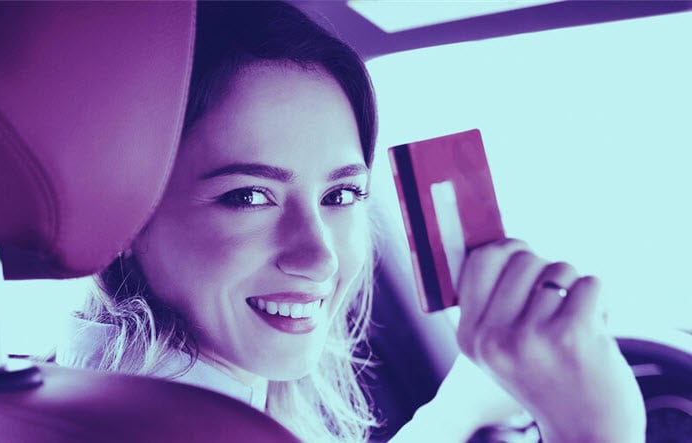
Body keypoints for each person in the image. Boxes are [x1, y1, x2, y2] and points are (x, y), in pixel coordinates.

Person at [56, 2, 645, 441]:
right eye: (249, 198)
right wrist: (596, 428)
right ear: (129, 217)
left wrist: (459, 408)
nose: (320, 257)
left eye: (341, 195)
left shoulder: (93, 392)